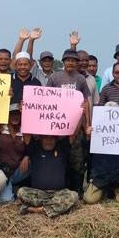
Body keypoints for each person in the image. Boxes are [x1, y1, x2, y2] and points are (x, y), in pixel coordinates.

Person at [45, 48, 93, 194]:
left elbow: (85, 104)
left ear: (77, 63)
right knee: (60, 159)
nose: (70, 63)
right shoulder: (54, 78)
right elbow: (46, 99)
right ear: (64, 61)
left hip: (76, 127)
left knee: (77, 161)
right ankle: (61, 188)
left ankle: (77, 190)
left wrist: (87, 126)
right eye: (68, 60)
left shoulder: (80, 79)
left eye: (73, 60)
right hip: (57, 127)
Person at [17, 135, 81, 217]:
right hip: (39, 194)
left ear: (56, 139)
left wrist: (80, 121)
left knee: (74, 196)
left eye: (52, 138)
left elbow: (73, 134)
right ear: (41, 139)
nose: (49, 141)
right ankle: (55, 206)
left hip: (58, 193)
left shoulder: (62, 148)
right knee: (21, 192)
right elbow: (26, 134)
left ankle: (38, 210)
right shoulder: (34, 149)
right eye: (45, 138)